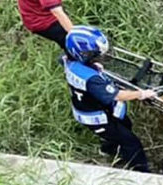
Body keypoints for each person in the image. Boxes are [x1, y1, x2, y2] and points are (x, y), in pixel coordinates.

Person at [63, 26, 156, 172]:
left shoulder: (69, 60)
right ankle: (142, 173)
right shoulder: (92, 80)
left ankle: (110, 150)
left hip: (91, 104)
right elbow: (117, 95)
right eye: (95, 55)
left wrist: (92, 65)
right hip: (96, 116)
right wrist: (141, 94)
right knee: (131, 143)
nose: (100, 57)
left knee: (125, 123)